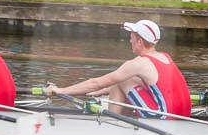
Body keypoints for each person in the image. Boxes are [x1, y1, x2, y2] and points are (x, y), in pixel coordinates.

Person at [46, 20, 191, 118]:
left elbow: (97, 82)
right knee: (124, 80)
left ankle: (112, 126)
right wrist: (101, 92)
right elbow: (153, 87)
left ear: (140, 41)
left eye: (132, 37)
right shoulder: (165, 57)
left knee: (120, 81)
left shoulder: (139, 63)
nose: (130, 41)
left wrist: (61, 90)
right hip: (183, 115)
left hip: (164, 117)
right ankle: (123, 119)